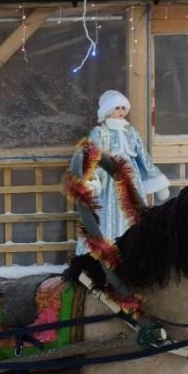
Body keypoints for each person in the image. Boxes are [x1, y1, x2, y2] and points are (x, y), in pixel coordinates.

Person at [75, 90, 170, 255]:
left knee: (134, 215)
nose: (120, 111)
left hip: (132, 182)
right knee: (106, 215)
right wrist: (92, 180)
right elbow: (91, 158)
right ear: (107, 110)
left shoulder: (131, 132)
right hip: (109, 181)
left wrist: (157, 180)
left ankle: (134, 252)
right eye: (116, 107)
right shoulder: (100, 132)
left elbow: (143, 157)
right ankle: (107, 253)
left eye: (122, 107)